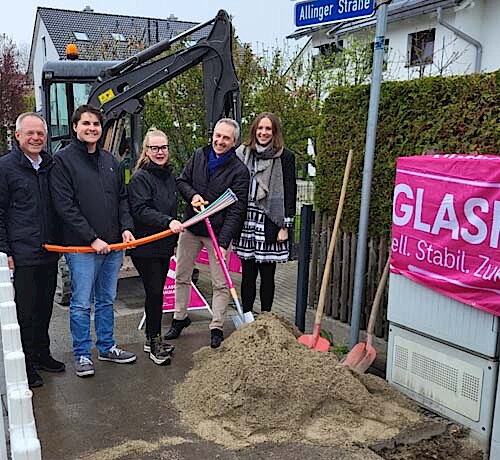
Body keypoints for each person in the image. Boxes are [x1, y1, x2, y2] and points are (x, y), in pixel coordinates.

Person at [50, 104, 137, 378]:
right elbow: (65, 206)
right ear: (75, 127)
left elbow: (122, 198)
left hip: (111, 247)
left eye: (96, 124)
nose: (91, 128)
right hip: (82, 248)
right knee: (80, 303)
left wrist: (125, 228)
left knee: (106, 300)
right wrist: (92, 238)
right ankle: (82, 354)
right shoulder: (63, 161)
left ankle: (107, 347)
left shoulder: (111, 161)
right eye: (85, 123)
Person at [164, 118, 250, 348]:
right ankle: (180, 318)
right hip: (192, 226)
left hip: (218, 233)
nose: (220, 141)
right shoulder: (199, 156)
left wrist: (223, 244)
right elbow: (182, 181)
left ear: (234, 142)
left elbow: (237, 210)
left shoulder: (240, 171)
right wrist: (192, 196)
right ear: (213, 135)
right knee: (181, 275)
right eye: (218, 136)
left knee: (220, 283)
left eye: (226, 138)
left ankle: (217, 325)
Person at [0, 112, 65, 388]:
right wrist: (6, 250)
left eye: (40, 133)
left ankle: (42, 354)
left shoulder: (49, 165)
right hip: (23, 252)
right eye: (30, 133)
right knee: (25, 311)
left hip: (48, 250)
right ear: (18, 136)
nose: (36, 138)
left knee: (44, 307)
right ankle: (26, 364)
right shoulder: (5, 167)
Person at [128, 129, 183, 365]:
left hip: (164, 244)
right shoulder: (140, 178)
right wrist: (167, 222)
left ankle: (154, 338)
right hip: (146, 246)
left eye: (163, 148)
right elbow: (140, 210)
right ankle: (153, 342)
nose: (160, 152)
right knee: (154, 293)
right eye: (155, 148)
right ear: (146, 151)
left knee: (157, 294)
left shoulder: (169, 176)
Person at [233, 112, 297, 314]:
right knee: (248, 275)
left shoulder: (285, 156)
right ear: (254, 130)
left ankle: (267, 319)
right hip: (246, 220)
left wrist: (285, 226)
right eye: (260, 128)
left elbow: (290, 190)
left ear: (274, 132)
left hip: (269, 219)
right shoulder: (243, 153)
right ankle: (247, 318)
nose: (263, 132)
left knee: (268, 275)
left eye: (268, 128)